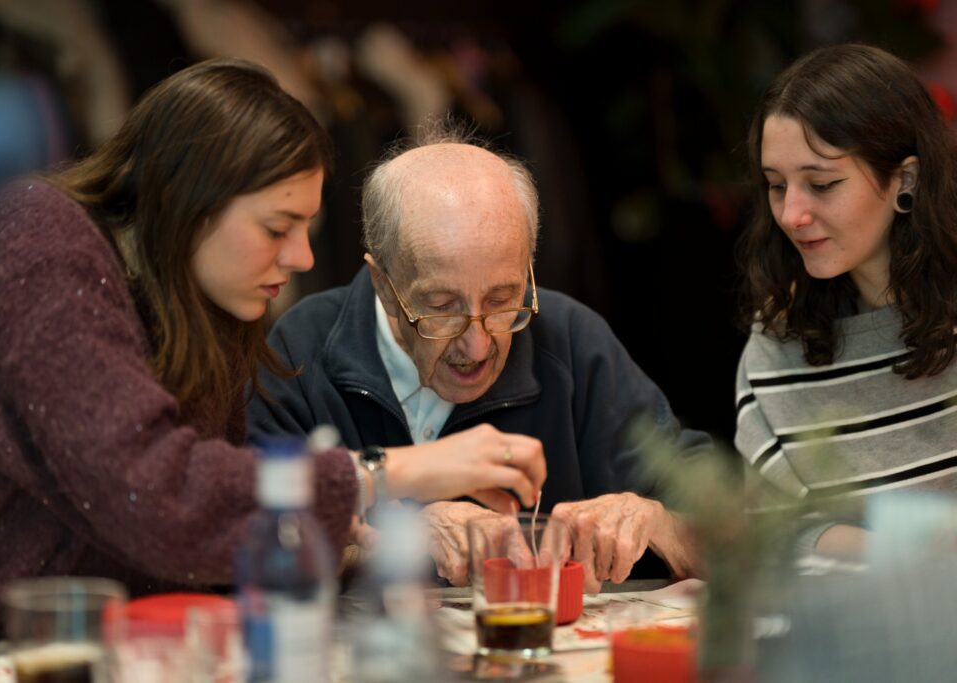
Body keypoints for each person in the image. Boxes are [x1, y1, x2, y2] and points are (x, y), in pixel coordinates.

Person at [0, 59, 545, 648]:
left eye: (307, 227)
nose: (303, 257)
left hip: (141, 653)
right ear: (188, 201)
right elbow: (156, 493)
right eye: (277, 228)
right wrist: (399, 473)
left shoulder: (214, 306)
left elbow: (221, 531)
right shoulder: (38, 242)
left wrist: (378, 540)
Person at [248, 121, 709, 592]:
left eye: (502, 299)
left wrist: (659, 522)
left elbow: (743, 530)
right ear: (384, 287)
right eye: (442, 308)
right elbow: (245, 546)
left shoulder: (571, 342)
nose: (479, 345)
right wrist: (392, 542)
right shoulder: (300, 350)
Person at [734, 43, 957, 559]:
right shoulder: (777, 345)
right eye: (776, 186)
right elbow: (773, 536)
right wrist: (912, 550)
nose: (791, 214)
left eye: (822, 184)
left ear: (905, 179)